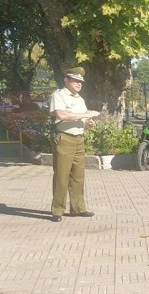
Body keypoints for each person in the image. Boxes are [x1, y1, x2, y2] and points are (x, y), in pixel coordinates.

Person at [49, 66, 99, 222]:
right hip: (65, 138)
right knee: (62, 176)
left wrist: (88, 122)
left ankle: (78, 208)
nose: (79, 84)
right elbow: (61, 114)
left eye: (81, 82)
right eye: (76, 80)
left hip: (79, 139)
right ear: (66, 80)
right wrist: (86, 114)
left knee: (78, 176)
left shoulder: (80, 99)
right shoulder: (58, 95)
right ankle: (57, 210)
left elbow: (82, 119)